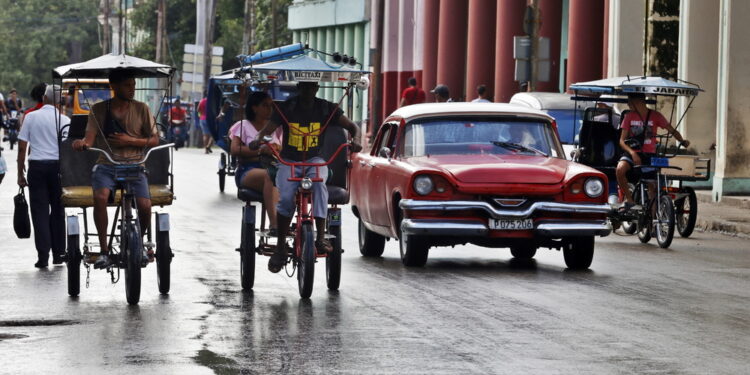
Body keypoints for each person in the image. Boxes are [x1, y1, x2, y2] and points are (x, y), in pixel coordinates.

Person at [252, 81, 362, 273]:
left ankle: (320, 237)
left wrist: (357, 140)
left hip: (315, 160)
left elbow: (353, 127)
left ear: (317, 88)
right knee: (285, 197)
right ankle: (280, 247)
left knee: (320, 186)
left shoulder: (326, 107)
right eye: (304, 87)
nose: (308, 91)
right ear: (299, 88)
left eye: (312, 87)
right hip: (288, 161)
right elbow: (267, 130)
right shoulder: (286, 108)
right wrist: (257, 139)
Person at [72, 68, 160, 269]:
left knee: (145, 206)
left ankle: (141, 241)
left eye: (134, 85)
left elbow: (155, 139)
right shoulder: (99, 110)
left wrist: (131, 140)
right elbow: (89, 139)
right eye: (127, 85)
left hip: (136, 165)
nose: (132, 89)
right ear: (114, 86)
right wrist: (81, 144)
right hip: (107, 165)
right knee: (100, 197)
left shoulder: (142, 108)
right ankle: (104, 251)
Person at [17, 84, 70, 268]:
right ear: (59, 100)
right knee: (58, 211)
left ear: (44, 98)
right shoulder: (64, 120)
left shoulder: (31, 117)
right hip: (57, 169)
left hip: (37, 168)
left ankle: (43, 257)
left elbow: (23, 147)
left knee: (39, 212)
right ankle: (58, 254)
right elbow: (67, 150)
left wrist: (20, 173)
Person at [616, 93, 689, 212]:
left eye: (630, 102)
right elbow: (621, 141)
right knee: (620, 169)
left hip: (649, 155)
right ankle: (629, 199)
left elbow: (671, 130)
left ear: (637, 102)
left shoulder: (656, 116)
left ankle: (653, 220)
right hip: (632, 153)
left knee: (653, 187)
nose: (628, 105)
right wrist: (632, 153)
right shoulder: (629, 117)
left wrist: (682, 141)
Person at [230, 92, 283, 235]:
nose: (270, 109)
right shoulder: (243, 125)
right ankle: (275, 224)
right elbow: (235, 149)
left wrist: (275, 149)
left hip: (275, 168)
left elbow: (282, 148)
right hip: (249, 170)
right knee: (270, 176)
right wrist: (261, 151)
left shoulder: (276, 128)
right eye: (265, 105)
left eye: (271, 106)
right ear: (254, 108)